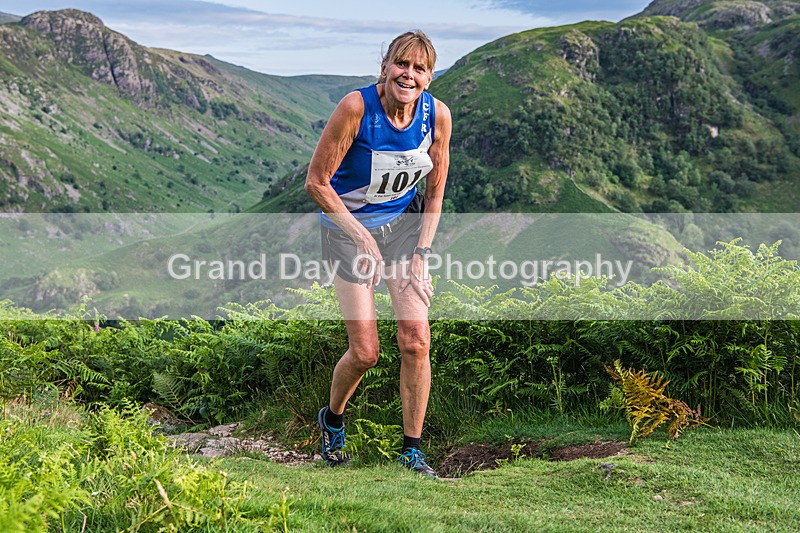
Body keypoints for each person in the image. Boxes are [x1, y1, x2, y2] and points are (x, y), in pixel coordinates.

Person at [304, 30, 451, 478]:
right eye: (401, 64)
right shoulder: (356, 108)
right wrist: (361, 236)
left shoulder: (437, 115)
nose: (409, 75)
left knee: (417, 339)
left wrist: (423, 252)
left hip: (403, 230)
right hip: (347, 233)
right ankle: (332, 420)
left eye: (419, 68)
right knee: (366, 352)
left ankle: (411, 452)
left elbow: (435, 191)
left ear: (429, 77)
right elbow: (316, 182)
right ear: (385, 66)